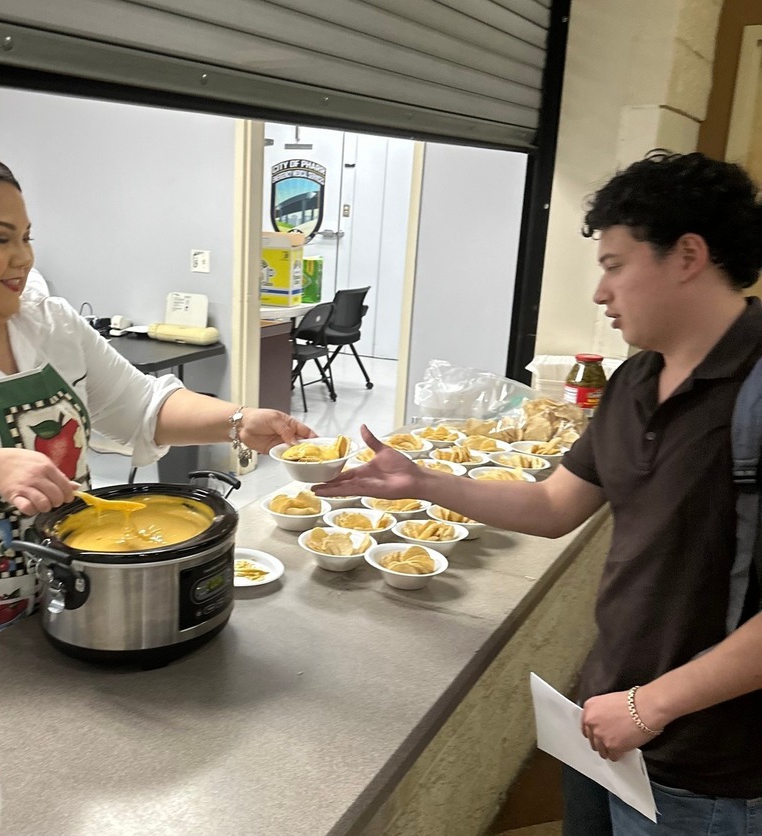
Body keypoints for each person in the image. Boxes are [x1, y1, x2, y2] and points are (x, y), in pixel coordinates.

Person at [315, 151, 762, 833]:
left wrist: (651, 706)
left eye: (614, 265)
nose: (600, 293)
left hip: (706, 765)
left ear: (687, 256)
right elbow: (555, 506)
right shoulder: (636, 380)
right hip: (605, 714)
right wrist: (422, 482)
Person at [0, 144, 314, 687]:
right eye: (0, 239)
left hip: (53, 594)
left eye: (26, 238)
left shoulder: (46, 322)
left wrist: (239, 420)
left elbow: (141, 404)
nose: (23, 258)